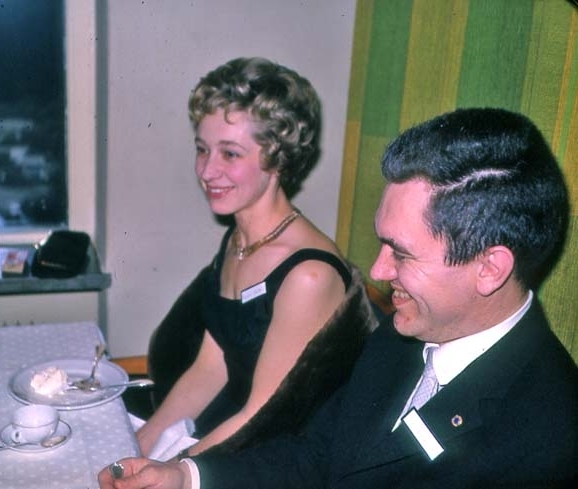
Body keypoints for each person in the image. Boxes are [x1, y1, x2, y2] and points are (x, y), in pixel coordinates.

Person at [99, 107, 578, 488]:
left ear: (490, 269)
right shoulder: (401, 336)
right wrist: (187, 477)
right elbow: (318, 454)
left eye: (402, 254)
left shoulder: (550, 438)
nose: (378, 271)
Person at [135, 57, 375, 459]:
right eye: (202, 149)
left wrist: (170, 470)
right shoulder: (238, 241)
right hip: (233, 427)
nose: (207, 171)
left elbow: (262, 415)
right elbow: (209, 368)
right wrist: (137, 446)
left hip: (284, 453)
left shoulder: (309, 275)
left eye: (230, 154)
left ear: (277, 158)